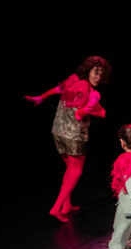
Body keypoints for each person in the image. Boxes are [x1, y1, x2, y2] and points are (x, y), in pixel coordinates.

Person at [26, 56, 112, 222]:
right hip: (73, 135)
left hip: (57, 131)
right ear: (88, 71)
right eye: (96, 73)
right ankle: (56, 208)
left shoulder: (73, 79)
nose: (98, 77)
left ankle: (66, 205)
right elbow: (79, 114)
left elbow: (57, 89)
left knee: (70, 169)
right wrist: (93, 105)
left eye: (101, 74)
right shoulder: (86, 88)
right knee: (76, 171)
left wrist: (41, 97)